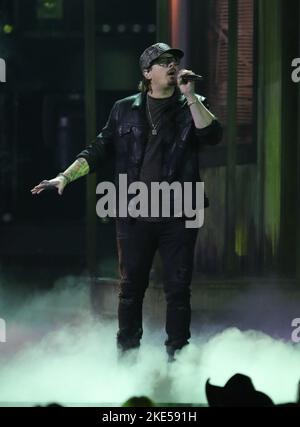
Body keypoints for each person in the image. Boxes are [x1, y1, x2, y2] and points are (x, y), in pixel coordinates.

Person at [31, 42, 222, 361]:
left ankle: (178, 357)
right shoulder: (124, 109)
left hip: (179, 211)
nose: (172, 66)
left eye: (174, 61)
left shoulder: (192, 104)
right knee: (131, 288)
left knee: (178, 289)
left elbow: (212, 136)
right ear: (147, 73)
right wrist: (65, 176)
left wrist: (190, 97)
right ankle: (128, 356)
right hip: (134, 211)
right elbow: (99, 148)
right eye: (163, 62)